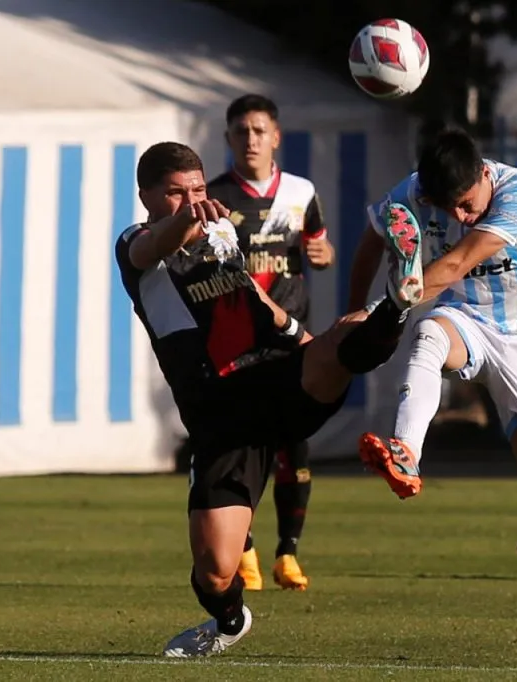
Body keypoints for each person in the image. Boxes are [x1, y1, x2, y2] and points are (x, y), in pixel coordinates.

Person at [114, 141, 421, 657]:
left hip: (274, 377)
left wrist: (302, 336)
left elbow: (253, 299)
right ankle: (230, 622)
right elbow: (154, 247)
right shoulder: (137, 247)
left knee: (348, 336)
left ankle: (397, 302)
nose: (192, 200)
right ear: (146, 196)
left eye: (197, 189)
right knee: (214, 574)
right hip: (221, 417)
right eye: (175, 193)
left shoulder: (221, 232)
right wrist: (184, 220)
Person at [346, 127, 517, 626]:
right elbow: (371, 235)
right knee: (428, 334)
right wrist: (355, 310)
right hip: (464, 320)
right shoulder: (413, 191)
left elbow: (455, 263)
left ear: (483, 176)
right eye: (449, 209)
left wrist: (386, 309)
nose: (459, 217)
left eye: (467, 205)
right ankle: (406, 452)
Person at [205, 94, 335, 592]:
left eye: (260, 130)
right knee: (241, 452)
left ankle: (289, 553)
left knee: (293, 450)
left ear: (276, 136)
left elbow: (317, 247)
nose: (251, 139)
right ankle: (245, 550)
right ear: (229, 138)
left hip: (293, 339)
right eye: (241, 131)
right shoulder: (218, 198)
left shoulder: (300, 192)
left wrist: (322, 254)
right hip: (237, 343)